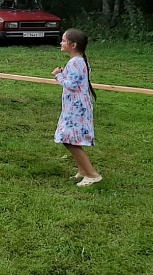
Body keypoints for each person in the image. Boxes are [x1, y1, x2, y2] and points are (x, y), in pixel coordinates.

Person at [52, 28, 101, 187]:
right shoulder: (80, 61)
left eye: (64, 40)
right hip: (76, 107)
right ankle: (83, 171)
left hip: (75, 109)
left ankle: (92, 174)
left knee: (70, 140)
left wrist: (58, 75)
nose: (61, 42)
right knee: (71, 139)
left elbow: (72, 85)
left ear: (73, 45)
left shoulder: (75, 62)